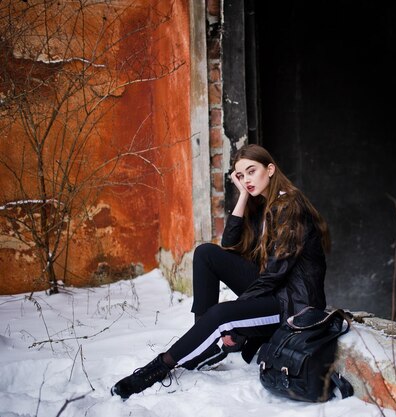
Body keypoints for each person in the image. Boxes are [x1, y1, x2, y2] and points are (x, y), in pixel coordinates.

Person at [111, 144, 330, 399]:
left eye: (252, 171)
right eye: (241, 175)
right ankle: (202, 345)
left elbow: (276, 273)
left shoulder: (289, 206)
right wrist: (243, 197)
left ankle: (159, 368)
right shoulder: (263, 202)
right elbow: (228, 243)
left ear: (269, 169)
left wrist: (236, 321)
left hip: (295, 304)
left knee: (221, 315)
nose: (247, 180)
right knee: (206, 253)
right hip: (277, 289)